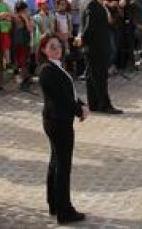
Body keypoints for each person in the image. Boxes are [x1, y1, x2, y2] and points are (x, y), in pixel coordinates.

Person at [37, 34, 88, 224]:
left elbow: (69, 93)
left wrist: (81, 104)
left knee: (56, 162)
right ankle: (65, 211)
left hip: (57, 119)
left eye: (58, 46)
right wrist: (79, 110)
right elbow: (62, 98)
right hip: (58, 121)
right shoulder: (47, 70)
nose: (57, 50)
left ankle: (54, 203)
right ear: (43, 49)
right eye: (52, 47)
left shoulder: (55, 66)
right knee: (63, 166)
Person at [74, 0, 122, 114]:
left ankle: (94, 103)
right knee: (100, 76)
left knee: (91, 75)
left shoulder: (87, 1)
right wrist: (83, 39)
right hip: (96, 46)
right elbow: (88, 27)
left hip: (91, 45)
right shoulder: (91, 3)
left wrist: (82, 38)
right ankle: (104, 104)